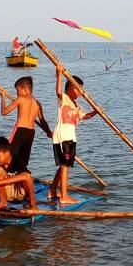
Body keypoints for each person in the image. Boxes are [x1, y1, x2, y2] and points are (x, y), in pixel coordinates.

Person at [50, 67, 98, 203]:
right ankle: (64, 196)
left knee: (64, 165)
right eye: (77, 89)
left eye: (80, 90)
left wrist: (95, 112)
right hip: (62, 137)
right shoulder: (64, 99)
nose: (79, 93)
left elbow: (84, 117)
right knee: (65, 166)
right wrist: (59, 73)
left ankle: (52, 190)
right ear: (69, 88)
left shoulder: (76, 105)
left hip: (71, 138)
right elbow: (58, 91)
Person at [0, 76, 51, 174]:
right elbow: (43, 121)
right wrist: (48, 132)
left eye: (18, 90)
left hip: (20, 130)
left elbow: (4, 112)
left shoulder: (20, 99)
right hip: (31, 132)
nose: (17, 93)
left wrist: (2, 97)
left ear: (25, 90)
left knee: (8, 155)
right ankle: (21, 175)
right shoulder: (37, 103)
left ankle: (10, 177)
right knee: (23, 159)